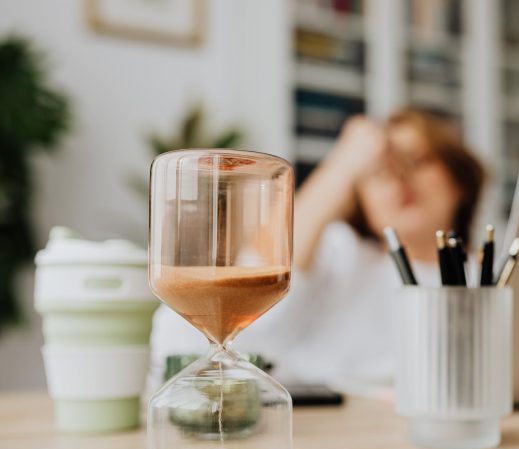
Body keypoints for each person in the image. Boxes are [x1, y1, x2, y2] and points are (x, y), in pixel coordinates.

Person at [150, 108, 486, 394]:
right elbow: (249, 288)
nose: (399, 179)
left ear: (459, 178)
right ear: (360, 201)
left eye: (417, 161)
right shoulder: (341, 252)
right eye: (380, 171)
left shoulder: (489, 275)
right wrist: (343, 164)